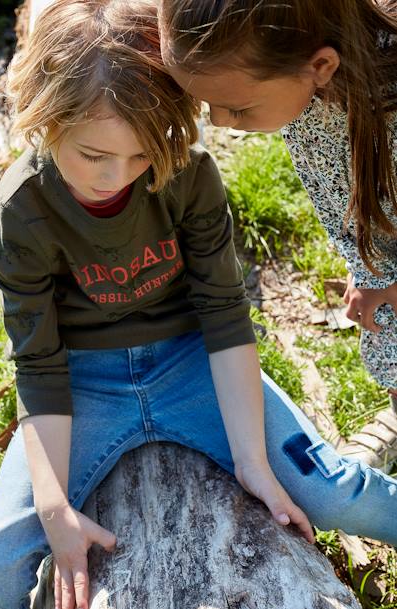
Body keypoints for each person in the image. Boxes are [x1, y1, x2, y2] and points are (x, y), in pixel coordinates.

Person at [0, 1, 397, 609]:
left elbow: (224, 313)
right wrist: (54, 507)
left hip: (191, 363)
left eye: (141, 155)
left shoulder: (186, 173)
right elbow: (38, 364)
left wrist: (253, 462)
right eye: (94, 156)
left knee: (329, 491)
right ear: (44, 117)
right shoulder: (20, 212)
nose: (120, 175)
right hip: (82, 381)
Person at [158, 0, 397, 465]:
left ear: (321, 66)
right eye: (207, 103)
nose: (219, 121)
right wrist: (371, 267)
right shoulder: (307, 87)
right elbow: (346, 194)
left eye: (235, 106)